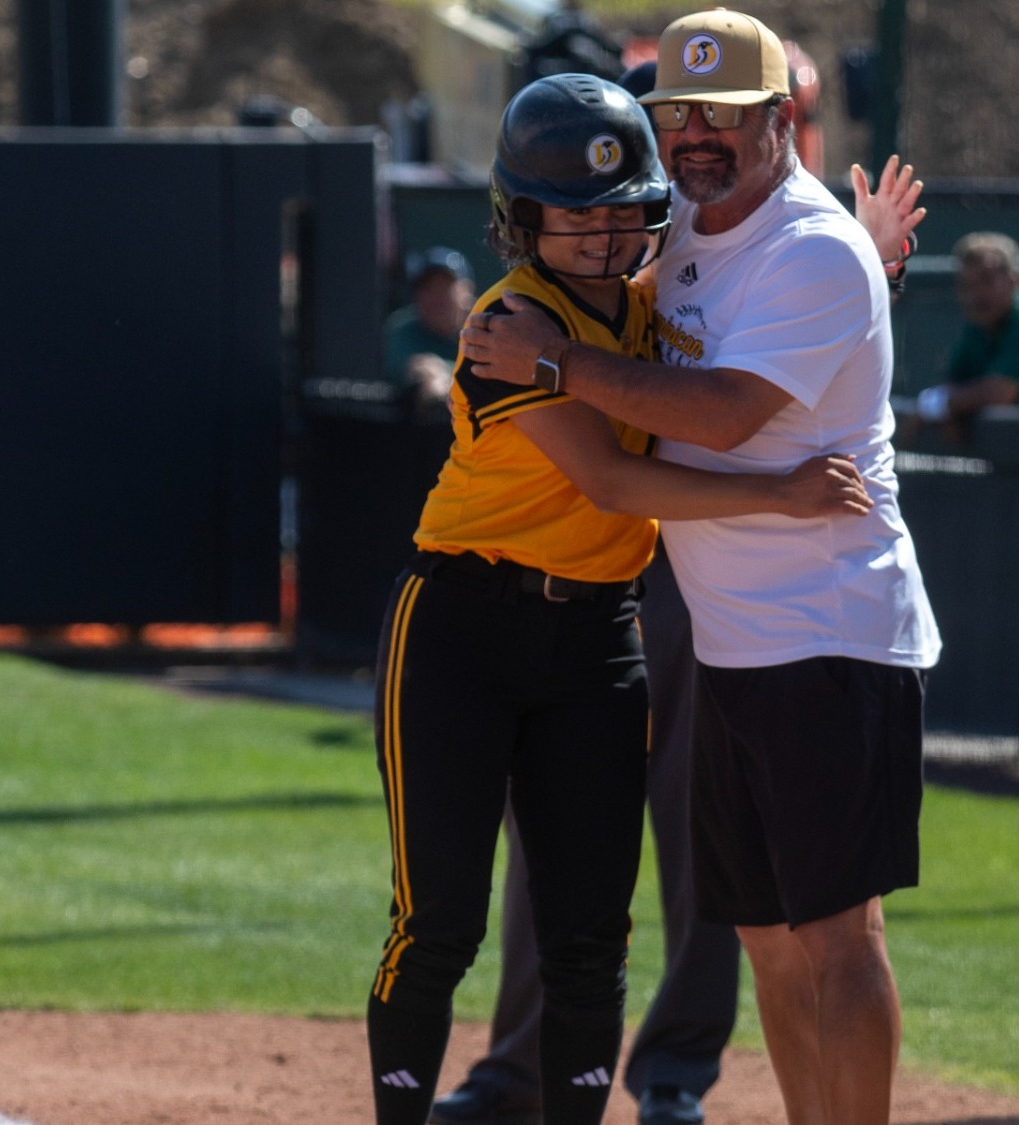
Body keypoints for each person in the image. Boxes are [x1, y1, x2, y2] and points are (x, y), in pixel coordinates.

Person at [366, 72, 877, 1125]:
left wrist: (866, 258)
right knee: (438, 923)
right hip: (460, 627)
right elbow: (611, 481)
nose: (599, 234)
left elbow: (769, 319)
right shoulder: (509, 325)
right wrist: (776, 493)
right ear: (522, 219)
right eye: (571, 215)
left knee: (591, 934)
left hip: (598, 637)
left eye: (618, 212)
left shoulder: (649, 315)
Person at [460, 10, 941, 1124]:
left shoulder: (806, 247)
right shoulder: (681, 222)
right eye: (676, 111)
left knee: (834, 934)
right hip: (734, 641)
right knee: (768, 939)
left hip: (827, 630)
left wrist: (557, 363)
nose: (695, 134)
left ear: (780, 121)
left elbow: (723, 414)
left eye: (724, 114)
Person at [909, 232, 1019, 425]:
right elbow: (953, 382)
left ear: (1015, 280)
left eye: (986, 281)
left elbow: (1002, 392)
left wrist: (942, 404)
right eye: (965, 285)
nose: (975, 294)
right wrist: (948, 408)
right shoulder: (981, 324)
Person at [383, 247, 477, 412]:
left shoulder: (486, 329)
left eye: (445, 287)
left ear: (467, 291)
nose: (436, 298)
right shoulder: (402, 329)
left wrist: (446, 372)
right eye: (428, 288)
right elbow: (409, 367)